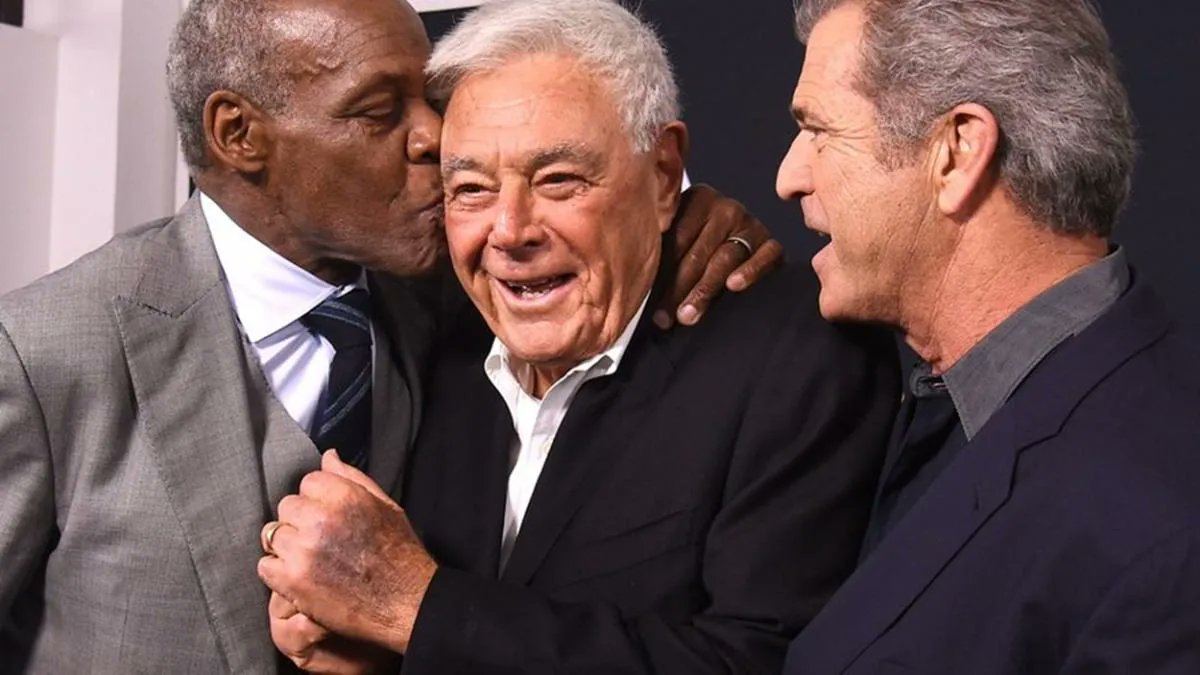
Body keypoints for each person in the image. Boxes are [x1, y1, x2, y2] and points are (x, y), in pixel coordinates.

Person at [0, 0, 781, 671]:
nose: (435, 137)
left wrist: (682, 216)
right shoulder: (43, 351)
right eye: (380, 111)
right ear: (239, 134)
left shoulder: (461, 294)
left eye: (429, 100)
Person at [255, 1, 899, 672]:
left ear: (662, 175)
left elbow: (764, 661)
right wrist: (370, 650)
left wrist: (414, 609)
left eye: (558, 180)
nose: (509, 231)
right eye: (470, 188)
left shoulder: (804, 359)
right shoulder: (432, 344)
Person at [774, 1, 1200, 673]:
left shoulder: (1155, 532)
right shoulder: (930, 394)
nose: (788, 177)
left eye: (818, 130)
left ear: (958, 152)